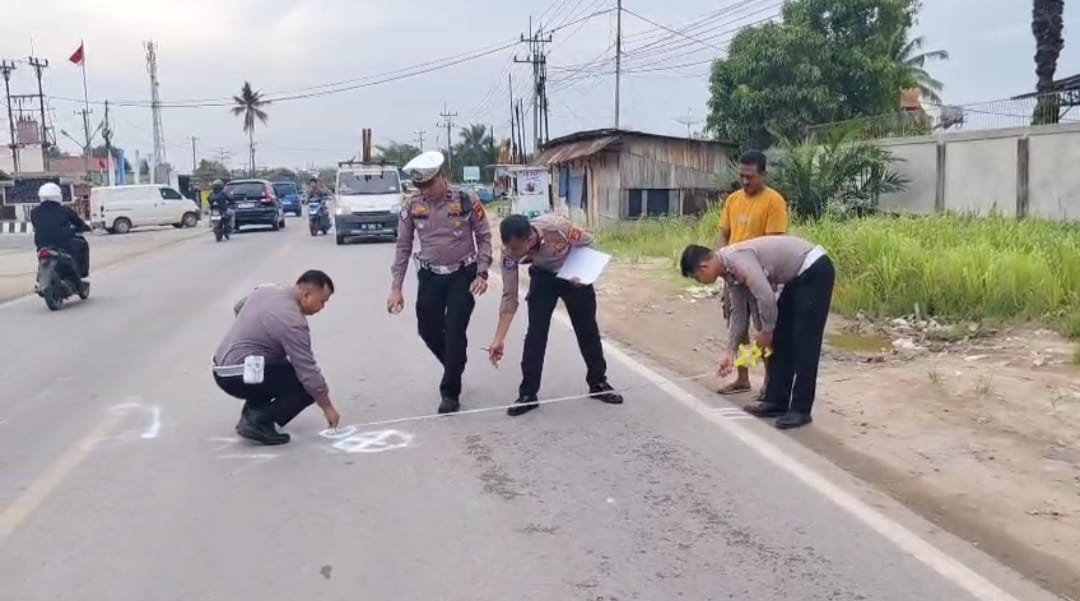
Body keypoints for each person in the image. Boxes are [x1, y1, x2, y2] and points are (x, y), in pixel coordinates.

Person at [680, 236, 835, 430]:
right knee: (781, 339)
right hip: (794, 278)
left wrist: (766, 330)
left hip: (814, 269)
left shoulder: (738, 260)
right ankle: (776, 400)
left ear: (704, 267)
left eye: (696, 277)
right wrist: (730, 351)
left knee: (805, 341)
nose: (700, 282)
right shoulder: (729, 274)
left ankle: (800, 410)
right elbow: (738, 314)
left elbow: (765, 295)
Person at [387, 150, 493, 414]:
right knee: (427, 329)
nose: (426, 191)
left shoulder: (466, 200)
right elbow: (403, 246)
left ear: (442, 177)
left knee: (455, 330)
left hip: (463, 274)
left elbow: (484, 236)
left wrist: (482, 271)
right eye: (420, 186)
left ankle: (450, 391)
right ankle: (454, 362)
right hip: (430, 275)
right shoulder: (411, 206)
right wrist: (396, 287)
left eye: (429, 184)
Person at [488, 214, 622, 417]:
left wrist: (581, 271)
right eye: (508, 248)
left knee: (587, 330)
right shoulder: (508, 254)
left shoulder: (557, 227)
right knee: (536, 335)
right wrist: (499, 339)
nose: (512, 253)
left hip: (574, 274)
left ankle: (598, 382)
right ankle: (528, 394)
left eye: (516, 248)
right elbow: (509, 296)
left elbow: (587, 242)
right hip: (543, 277)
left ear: (530, 239)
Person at [212, 270, 342, 445]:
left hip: (221, 367)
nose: (322, 307)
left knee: (279, 368)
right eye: (322, 302)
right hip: (237, 375)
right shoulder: (293, 322)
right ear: (306, 295)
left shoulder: (266, 290)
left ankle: (254, 411)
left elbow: (239, 306)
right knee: (305, 385)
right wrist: (327, 407)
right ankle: (259, 421)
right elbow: (307, 371)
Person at [715, 150, 788, 399]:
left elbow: (774, 243)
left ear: (763, 174)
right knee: (737, 326)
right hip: (733, 276)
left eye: (751, 176)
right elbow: (724, 233)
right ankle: (742, 378)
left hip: (759, 277)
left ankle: (769, 383)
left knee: (763, 327)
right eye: (742, 176)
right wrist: (721, 264)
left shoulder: (774, 202)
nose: (745, 181)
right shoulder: (733, 200)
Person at [30, 182, 91, 280]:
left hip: (42, 244)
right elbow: (79, 223)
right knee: (82, 245)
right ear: (58, 196)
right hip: (63, 243)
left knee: (41, 255)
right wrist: (85, 227)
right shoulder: (65, 210)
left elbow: (35, 225)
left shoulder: (34, 212)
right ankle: (80, 274)